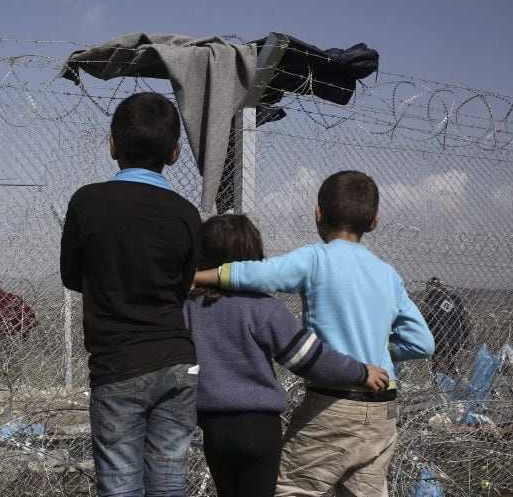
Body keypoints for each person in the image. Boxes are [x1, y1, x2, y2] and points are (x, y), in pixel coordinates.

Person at [193, 170, 435, 496]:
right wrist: (381, 347)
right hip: (383, 410)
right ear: (374, 222)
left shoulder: (316, 259)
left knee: (286, 487)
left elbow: (261, 275)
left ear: (318, 214)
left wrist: (202, 277)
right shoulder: (388, 274)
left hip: (334, 403)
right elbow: (423, 342)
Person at [184, 214, 390, 497]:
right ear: (252, 259)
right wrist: (361, 372)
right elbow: (309, 359)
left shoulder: (189, 309)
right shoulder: (262, 309)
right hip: (259, 427)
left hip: (214, 428)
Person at [60, 92, 202, 497]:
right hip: (177, 361)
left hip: (118, 363)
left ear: (112, 144)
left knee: (121, 484)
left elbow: (72, 276)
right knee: (169, 481)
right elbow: (181, 287)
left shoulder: (88, 202)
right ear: (175, 152)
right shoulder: (186, 213)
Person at [423, 276, 469, 376]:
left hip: (440, 342)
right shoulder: (454, 299)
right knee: (454, 369)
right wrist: (465, 339)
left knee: (439, 373)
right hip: (457, 340)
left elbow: (425, 322)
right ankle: (455, 385)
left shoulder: (430, 302)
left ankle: (439, 385)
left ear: (429, 288)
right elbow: (462, 319)